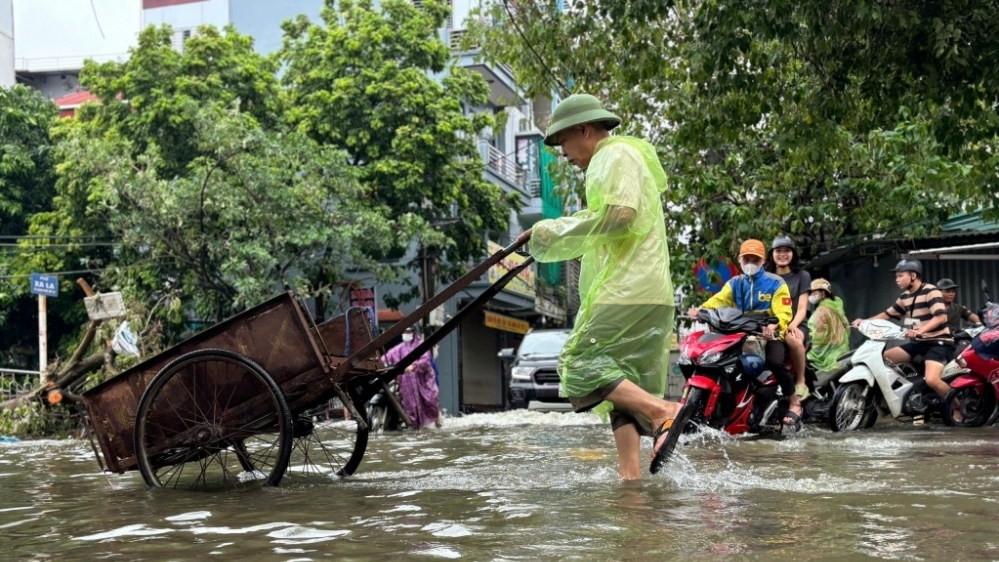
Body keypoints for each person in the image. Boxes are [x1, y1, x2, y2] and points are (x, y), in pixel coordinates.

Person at [519, 93, 680, 479]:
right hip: (650, 292)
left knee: (578, 365)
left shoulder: (612, 154)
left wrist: (552, 231)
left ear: (583, 130)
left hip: (627, 290)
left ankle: (665, 412)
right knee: (623, 390)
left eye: (563, 142)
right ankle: (631, 481)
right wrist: (549, 233)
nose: (563, 154)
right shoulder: (625, 157)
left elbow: (620, 215)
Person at [687, 239, 798, 424]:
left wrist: (773, 327)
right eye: (747, 259)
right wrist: (699, 311)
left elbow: (784, 312)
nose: (750, 263)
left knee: (774, 362)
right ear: (740, 260)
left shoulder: (776, 283)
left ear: (763, 261)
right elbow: (717, 301)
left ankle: (794, 402)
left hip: (768, 335)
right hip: (739, 335)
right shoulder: (735, 283)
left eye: (755, 259)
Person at [851, 259, 955, 401]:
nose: (897, 280)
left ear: (913, 275)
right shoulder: (905, 296)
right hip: (918, 343)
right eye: (896, 276)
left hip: (938, 343)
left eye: (900, 276)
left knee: (932, 380)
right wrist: (864, 321)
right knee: (881, 358)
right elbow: (887, 314)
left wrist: (920, 331)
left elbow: (940, 317)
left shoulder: (931, 291)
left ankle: (957, 407)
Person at [765, 235, 811, 419]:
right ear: (772, 254)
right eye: (778, 251)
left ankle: (800, 380)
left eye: (787, 250)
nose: (783, 254)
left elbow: (802, 308)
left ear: (793, 254)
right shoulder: (766, 277)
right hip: (772, 326)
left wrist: (791, 325)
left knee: (793, 339)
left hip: (795, 324)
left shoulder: (802, 276)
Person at [380, 326, 443, 429]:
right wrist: (379, 363)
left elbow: (425, 360)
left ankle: (432, 421)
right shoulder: (400, 348)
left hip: (422, 381)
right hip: (407, 384)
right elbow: (388, 356)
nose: (406, 334)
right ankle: (415, 426)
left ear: (414, 333)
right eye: (404, 331)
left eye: (408, 332)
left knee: (429, 401)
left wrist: (414, 366)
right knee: (410, 405)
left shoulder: (421, 346)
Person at [806, 278, 850, 373]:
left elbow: (818, 335)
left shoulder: (821, 311)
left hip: (825, 355)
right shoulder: (837, 308)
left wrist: (809, 346)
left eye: (814, 292)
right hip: (841, 351)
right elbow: (847, 328)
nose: (811, 295)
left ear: (823, 292)